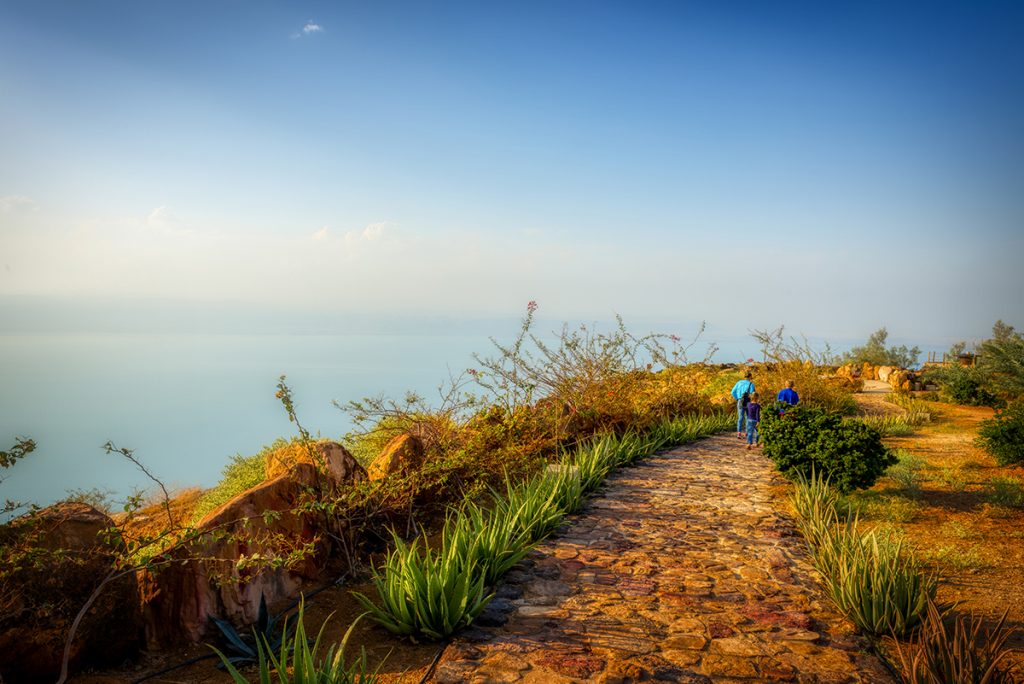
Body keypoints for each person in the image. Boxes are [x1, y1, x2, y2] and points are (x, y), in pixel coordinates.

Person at [730, 371, 756, 438]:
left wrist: (737, 398)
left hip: (740, 401)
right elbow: (753, 394)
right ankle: (746, 433)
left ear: (744, 376)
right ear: (750, 377)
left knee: (740, 417)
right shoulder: (751, 384)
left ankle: (739, 433)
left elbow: (732, 392)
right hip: (748, 402)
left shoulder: (739, 383)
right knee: (748, 417)